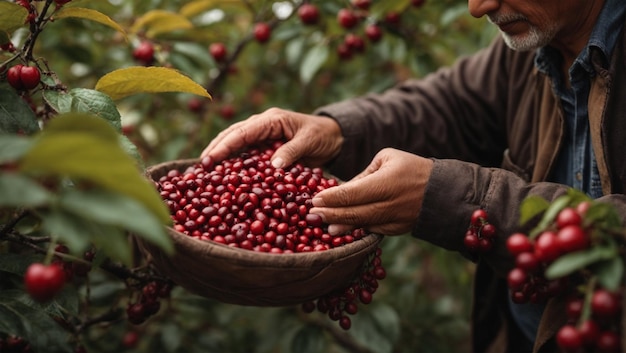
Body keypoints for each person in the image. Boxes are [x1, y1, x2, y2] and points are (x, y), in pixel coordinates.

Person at [201, 0, 626, 352]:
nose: (478, 8)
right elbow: (451, 106)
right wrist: (337, 131)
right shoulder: (537, 44)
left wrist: (453, 200)